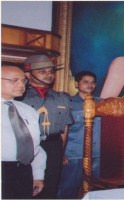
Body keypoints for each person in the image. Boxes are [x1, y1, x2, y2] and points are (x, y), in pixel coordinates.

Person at [18, 55, 74, 199]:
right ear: (28, 75)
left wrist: (60, 153)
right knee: (25, 187)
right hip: (27, 147)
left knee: (50, 188)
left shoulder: (62, 98)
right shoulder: (19, 98)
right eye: (42, 71)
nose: (49, 75)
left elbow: (64, 128)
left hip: (53, 146)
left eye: (51, 71)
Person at [1, 64, 47, 199]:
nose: (21, 85)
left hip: (23, 172)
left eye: (23, 81)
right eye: (14, 80)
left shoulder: (28, 111)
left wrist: (38, 175)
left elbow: (35, 147)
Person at [58, 71, 101, 198]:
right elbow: (61, 130)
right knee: (68, 188)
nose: (90, 85)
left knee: (97, 189)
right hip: (74, 154)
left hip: (97, 154)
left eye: (92, 82)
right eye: (85, 82)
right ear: (76, 84)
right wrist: (61, 153)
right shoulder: (68, 103)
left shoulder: (102, 103)